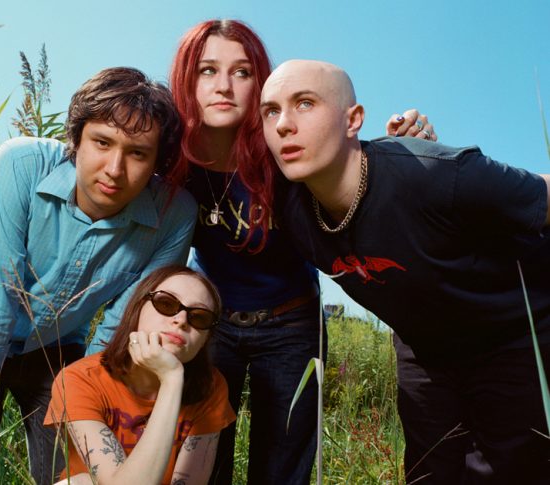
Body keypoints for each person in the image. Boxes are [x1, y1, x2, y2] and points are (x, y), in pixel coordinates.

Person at [167, 19, 436, 484]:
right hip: (212, 325)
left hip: (292, 326)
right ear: (187, 78)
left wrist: (406, 148)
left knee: (283, 467)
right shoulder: (172, 158)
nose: (225, 87)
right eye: (207, 70)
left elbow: (349, 163)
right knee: (199, 465)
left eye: (243, 72)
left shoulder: (285, 148)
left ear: (262, 83)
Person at [261, 59, 550, 483]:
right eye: (271, 111)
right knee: (427, 471)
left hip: (514, 335)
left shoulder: (435, 173)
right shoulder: (289, 209)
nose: (284, 124)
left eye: (305, 103)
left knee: (511, 471)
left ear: (353, 120)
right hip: (424, 350)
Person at [0, 67, 197, 484]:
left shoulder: (175, 214)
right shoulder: (19, 164)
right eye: (102, 143)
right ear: (76, 139)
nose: (115, 169)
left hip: (54, 344)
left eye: (138, 153)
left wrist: (85, 398)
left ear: (158, 160)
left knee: (73, 473)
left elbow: (122, 322)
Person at [45, 265, 235, 485]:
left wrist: (170, 379)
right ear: (136, 309)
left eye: (199, 317)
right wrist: (172, 379)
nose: (181, 320)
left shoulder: (210, 387)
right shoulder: (79, 380)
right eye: (166, 304)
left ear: (205, 339)